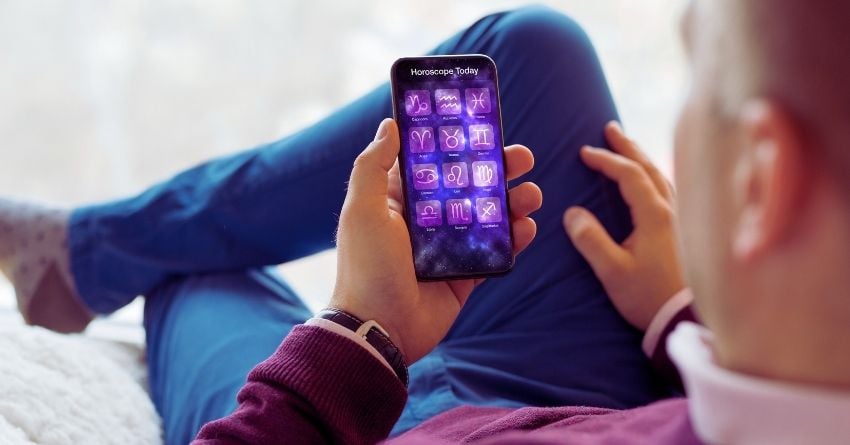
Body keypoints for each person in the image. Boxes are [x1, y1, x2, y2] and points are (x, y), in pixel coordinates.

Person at [2, 0, 848, 443]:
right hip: (603, 396)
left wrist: (356, 337)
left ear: (759, 183)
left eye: (700, 76)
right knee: (535, 47)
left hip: (368, 422)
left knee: (196, 276)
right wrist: (681, 316)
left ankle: (97, 252)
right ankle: (87, 252)